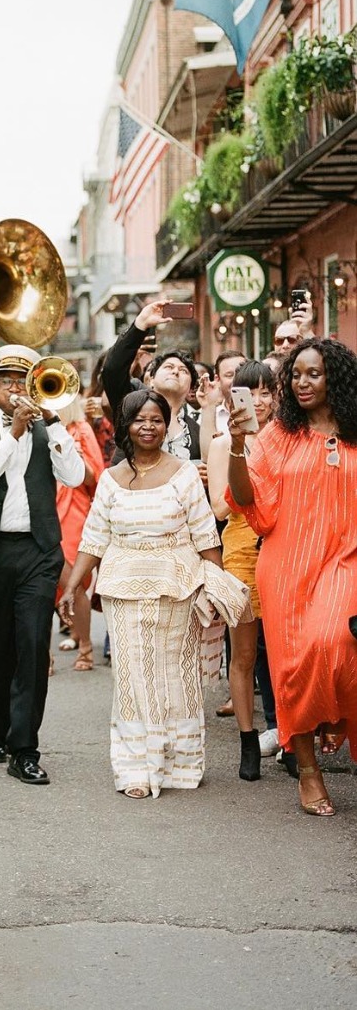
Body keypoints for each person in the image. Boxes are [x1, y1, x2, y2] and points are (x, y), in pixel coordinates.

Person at [60, 390, 251, 799]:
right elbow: (94, 538)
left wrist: (214, 585)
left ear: (167, 425)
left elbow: (204, 536)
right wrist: (73, 584)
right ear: (126, 425)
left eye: (157, 420)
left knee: (175, 676)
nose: (148, 427)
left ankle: (180, 763)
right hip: (121, 587)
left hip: (178, 586)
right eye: (139, 420)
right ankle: (135, 769)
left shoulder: (184, 473)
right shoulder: (110, 480)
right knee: (131, 679)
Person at [226, 337, 357, 817]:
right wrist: (239, 444)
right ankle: (307, 768)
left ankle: (336, 713)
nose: (302, 382)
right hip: (285, 565)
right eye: (296, 374)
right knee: (289, 666)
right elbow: (245, 500)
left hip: (346, 559)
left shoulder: (354, 430)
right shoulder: (278, 434)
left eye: (314, 373)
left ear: (335, 378)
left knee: (333, 643)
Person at [0, 345, 85, 783]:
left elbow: (74, 476)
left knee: (33, 646)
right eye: (7, 382)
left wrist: (52, 422)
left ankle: (25, 748)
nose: (15, 390)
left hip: (38, 552)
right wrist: (12, 434)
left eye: (22, 382)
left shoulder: (49, 429)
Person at [207, 360, 278, 779]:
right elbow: (218, 505)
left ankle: (287, 734)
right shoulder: (222, 444)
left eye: (268, 392)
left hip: (281, 547)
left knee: (285, 651)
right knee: (246, 652)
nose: (261, 401)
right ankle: (248, 740)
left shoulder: (288, 439)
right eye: (250, 393)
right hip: (241, 548)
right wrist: (241, 455)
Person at [102, 299, 203, 463]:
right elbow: (113, 371)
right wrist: (140, 324)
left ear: (190, 388)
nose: (176, 371)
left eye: (183, 370)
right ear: (151, 379)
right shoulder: (132, 402)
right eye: (168, 367)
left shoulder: (197, 431)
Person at [54, 396, 104, 671]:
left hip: (74, 510)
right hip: (44, 507)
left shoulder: (81, 429)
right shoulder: (34, 427)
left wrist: (72, 455)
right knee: (44, 584)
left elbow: (94, 477)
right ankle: (43, 655)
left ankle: (85, 646)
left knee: (74, 579)